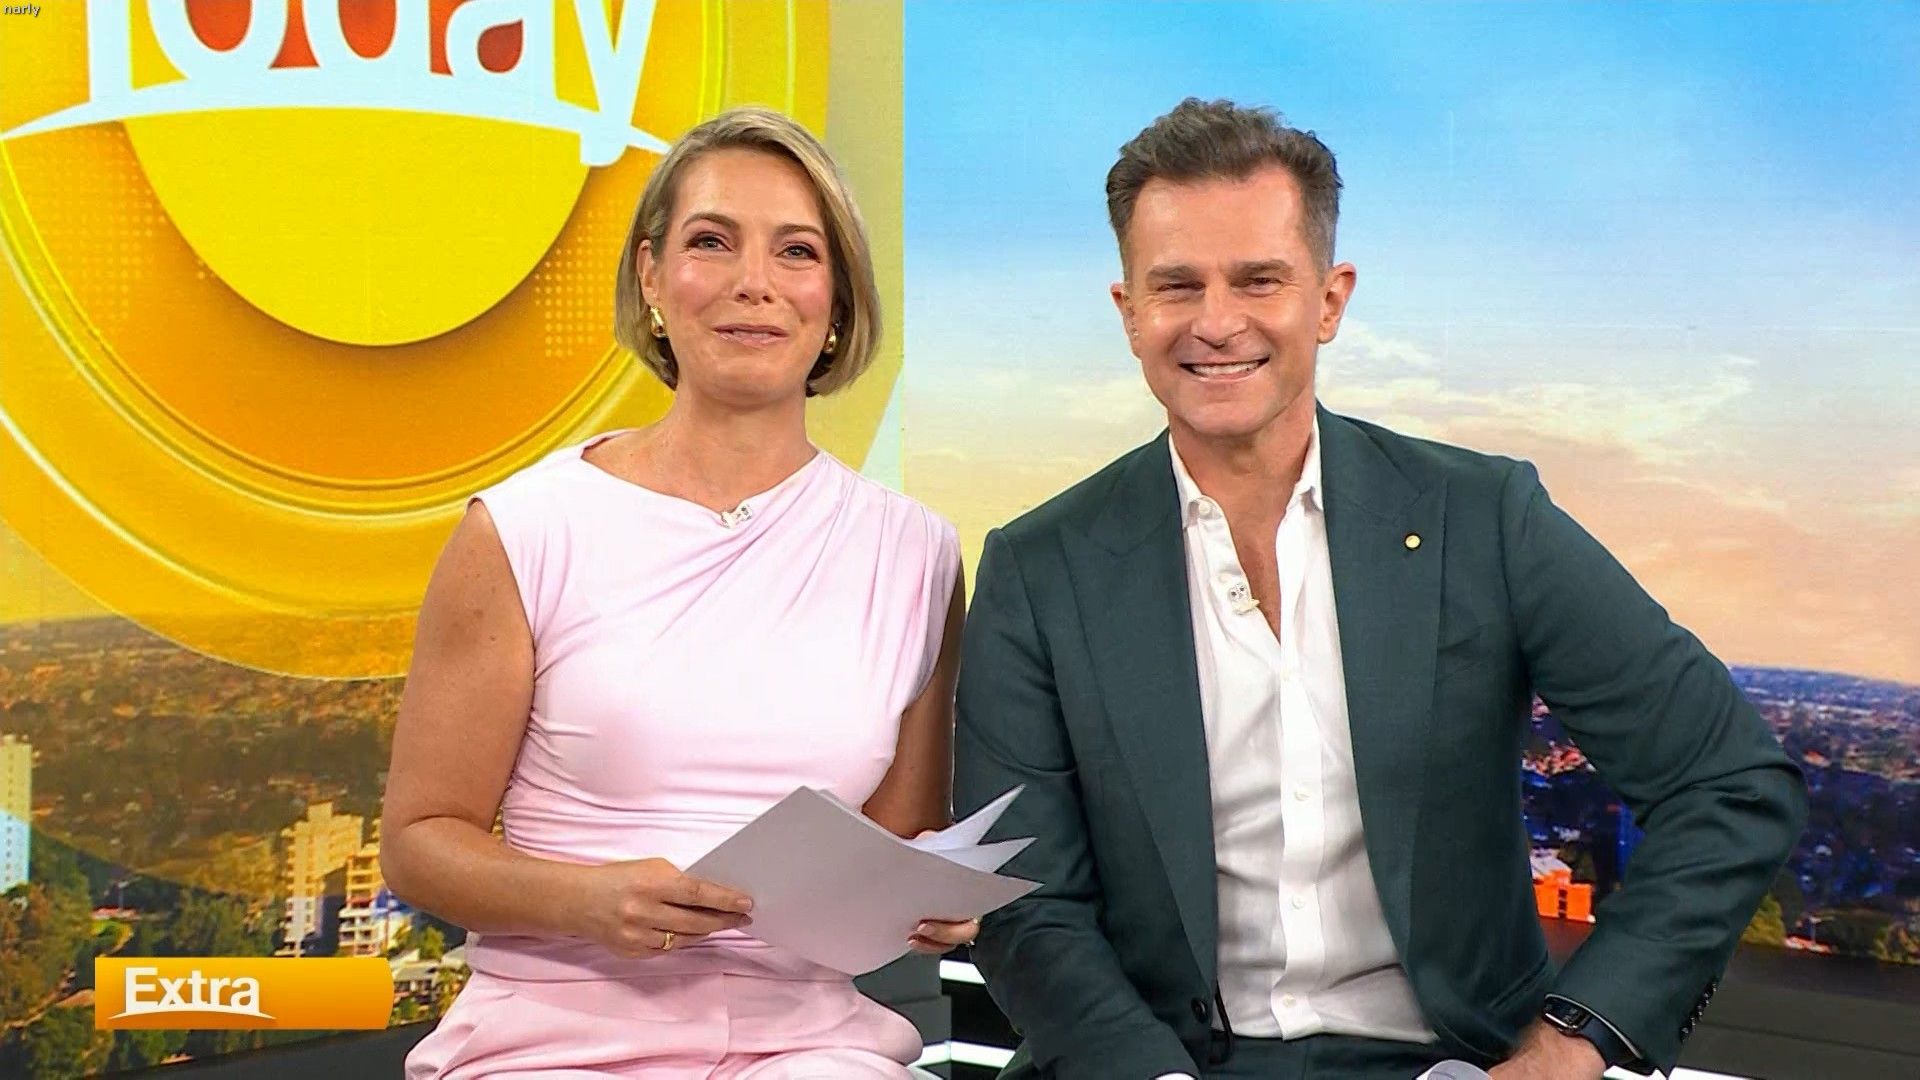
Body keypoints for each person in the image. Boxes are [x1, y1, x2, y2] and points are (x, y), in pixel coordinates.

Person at [953, 98, 1807, 1080]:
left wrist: (1571, 1044)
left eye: (1259, 280)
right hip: (1151, 1063)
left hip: (1452, 1060)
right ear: (1129, 313)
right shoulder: (1038, 568)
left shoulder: (1483, 518)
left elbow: (1730, 784)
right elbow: (1027, 904)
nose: (1216, 322)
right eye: (1177, 285)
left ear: (1329, 300)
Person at [383, 106, 973, 1080]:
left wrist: (930, 899)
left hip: (810, 1044)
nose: (755, 283)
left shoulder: (917, 553)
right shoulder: (525, 529)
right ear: (652, 277)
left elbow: (897, 841)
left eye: (797, 251)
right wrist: (585, 900)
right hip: (559, 1040)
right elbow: (417, 843)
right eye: (712, 242)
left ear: (836, 298)